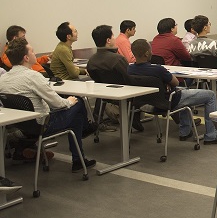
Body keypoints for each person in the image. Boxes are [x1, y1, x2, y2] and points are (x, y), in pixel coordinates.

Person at [1, 37, 96, 172]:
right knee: (78, 103)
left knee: (76, 118)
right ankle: (81, 146)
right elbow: (58, 104)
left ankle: (79, 157)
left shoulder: (3, 79)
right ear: (26, 58)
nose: (34, 53)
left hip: (22, 127)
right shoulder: (33, 76)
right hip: (43, 125)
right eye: (32, 51)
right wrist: (69, 101)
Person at [128, 39, 217, 143]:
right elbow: (176, 82)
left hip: (143, 104)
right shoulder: (158, 69)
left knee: (185, 92)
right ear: (146, 53)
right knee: (211, 95)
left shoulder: (129, 69)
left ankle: (185, 131)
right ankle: (212, 135)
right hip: (168, 102)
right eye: (151, 50)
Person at [87, 25, 143, 131]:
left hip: (105, 95)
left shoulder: (91, 61)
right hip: (126, 95)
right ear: (108, 40)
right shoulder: (118, 59)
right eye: (113, 36)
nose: (115, 38)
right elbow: (129, 78)